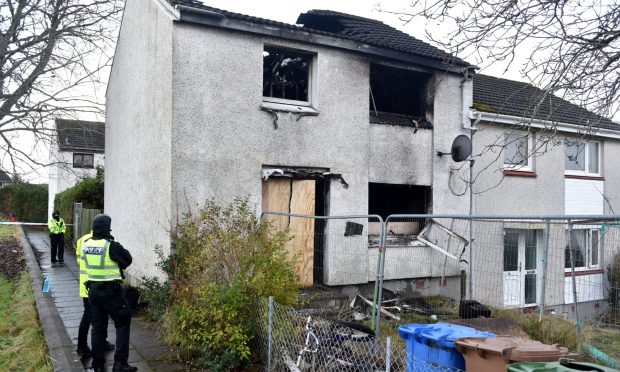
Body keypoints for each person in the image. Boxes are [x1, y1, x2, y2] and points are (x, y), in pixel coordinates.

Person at [82, 214, 136, 372]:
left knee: (98, 327)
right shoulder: (111, 246)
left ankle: (97, 365)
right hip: (110, 291)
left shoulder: (86, 244)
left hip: (92, 291)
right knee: (123, 320)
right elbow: (127, 259)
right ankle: (120, 364)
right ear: (107, 228)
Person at [75, 230, 115, 357]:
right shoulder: (105, 241)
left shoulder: (82, 240)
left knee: (89, 315)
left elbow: (78, 260)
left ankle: (87, 345)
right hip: (98, 285)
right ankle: (87, 346)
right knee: (98, 316)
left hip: (85, 285)